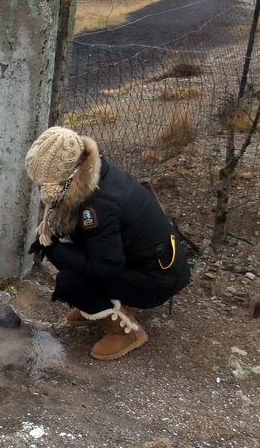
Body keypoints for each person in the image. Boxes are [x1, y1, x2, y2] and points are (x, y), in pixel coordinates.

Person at [24, 126, 190, 360]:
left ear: (63, 175)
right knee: (67, 253)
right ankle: (98, 307)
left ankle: (126, 331)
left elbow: (104, 267)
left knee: (69, 280)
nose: (41, 188)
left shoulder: (98, 207)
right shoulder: (97, 174)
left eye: (45, 182)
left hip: (158, 280)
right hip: (156, 262)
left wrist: (54, 250)